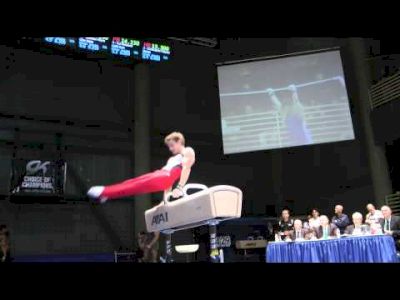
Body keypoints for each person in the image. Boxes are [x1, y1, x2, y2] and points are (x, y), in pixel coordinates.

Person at [87, 132, 195, 203]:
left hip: (164, 176)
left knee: (136, 185)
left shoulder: (187, 151)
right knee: (132, 182)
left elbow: (186, 168)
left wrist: (180, 187)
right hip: (161, 175)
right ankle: (107, 195)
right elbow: (168, 185)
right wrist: (165, 201)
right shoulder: (172, 159)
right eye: (169, 146)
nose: (170, 149)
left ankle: (105, 192)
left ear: (180, 141)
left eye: (172, 145)